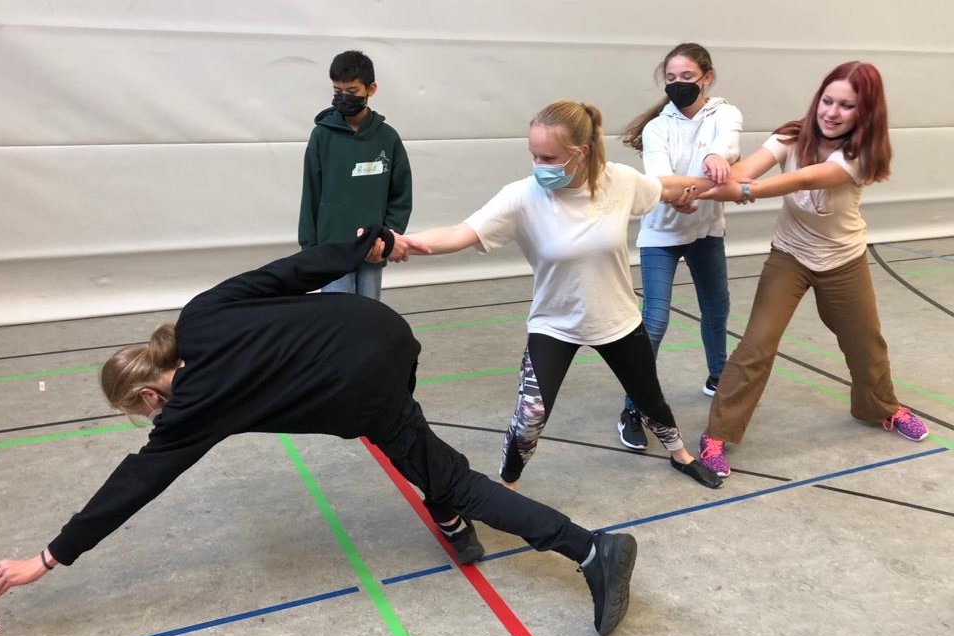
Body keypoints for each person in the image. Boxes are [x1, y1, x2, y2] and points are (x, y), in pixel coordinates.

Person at [0, 227, 638, 636]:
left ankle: (591, 550)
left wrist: (49, 557)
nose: (154, 422)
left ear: (149, 395)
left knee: (451, 477)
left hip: (361, 386)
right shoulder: (200, 315)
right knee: (420, 452)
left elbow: (135, 482)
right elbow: (291, 272)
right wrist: (364, 245)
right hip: (381, 329)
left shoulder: (191, 410)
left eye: (145, 412)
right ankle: (447, 515)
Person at [389, 100, 724, 490]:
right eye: (533, 155)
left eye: (548, 157)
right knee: (530, 416)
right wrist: (406, 243)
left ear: (580, 153)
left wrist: (708, 188)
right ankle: (508, 486)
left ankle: (680, 455)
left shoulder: (619, 181)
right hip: (554, 323)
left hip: (617, 320)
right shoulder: (521, 197)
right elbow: (459, 233)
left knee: (649, 399)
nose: (538, 165)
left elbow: (664, 187)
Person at [695, 61, 929, 478]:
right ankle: (717, 433)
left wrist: (742, 191)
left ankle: (882, 407)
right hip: (790, 255)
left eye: (846, 106)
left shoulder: (860, 155)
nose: (832, 112)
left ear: (865, 113)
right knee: (756, 345)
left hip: (843, 260)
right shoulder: (791, 136)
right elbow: (746, 170)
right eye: (827, 100)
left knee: (865, 344)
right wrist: (712, 178)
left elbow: (803, 180)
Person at [617, 43, 742, 451]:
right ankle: (633, 406)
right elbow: (660, 178)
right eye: (671, 78)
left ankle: (718, 377)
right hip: (662, 233)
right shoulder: (658, 127)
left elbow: (728, 147)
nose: (678, 84)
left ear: (707, 78)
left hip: (706, 230)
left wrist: (715, 157)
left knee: (717, 309)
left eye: (687, 77)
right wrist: (690, 191)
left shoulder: (725, 114)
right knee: (653, 320)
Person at [297, 50, 412, 299]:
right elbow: (311, 193)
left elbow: (401, 195)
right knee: (337, 315)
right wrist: (309, 247)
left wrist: (387, 237)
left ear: (371, 89)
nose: (343, 98)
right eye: (337, 91)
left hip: (372, 249)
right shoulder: (322, 136)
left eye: (352, 91)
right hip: (331, 250)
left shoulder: (388, 138)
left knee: (368, 312)